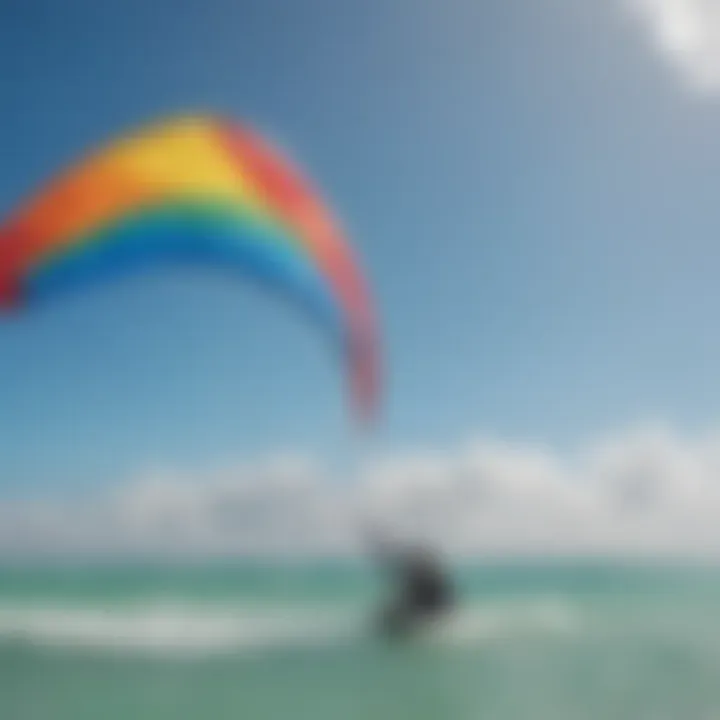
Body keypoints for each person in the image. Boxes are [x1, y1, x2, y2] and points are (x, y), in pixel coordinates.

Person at [367, 530, 455, 638]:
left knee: (392, 618)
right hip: (427, 604)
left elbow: (444, 599)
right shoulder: (415, 570)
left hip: (432, 605)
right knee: (388, 618)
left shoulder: (422, 573)